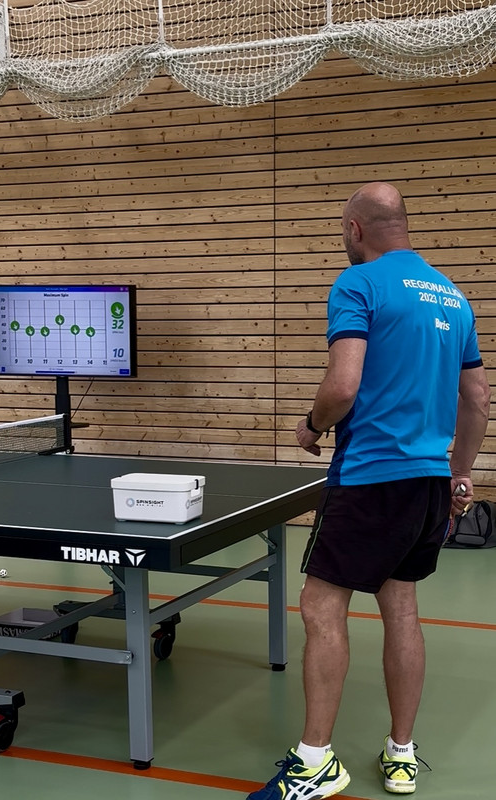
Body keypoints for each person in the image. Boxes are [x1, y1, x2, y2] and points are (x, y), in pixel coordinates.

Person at [248, 182, 490, 800]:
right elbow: (477, 400)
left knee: (321, 606)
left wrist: (312, 425)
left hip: (371, 478)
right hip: (430, 484)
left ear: (355, 229)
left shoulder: (358, 284)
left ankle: (314, 763)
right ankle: (401, 753)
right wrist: (460, 474)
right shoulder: (452, 295)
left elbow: (342, 385)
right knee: (401, 608)